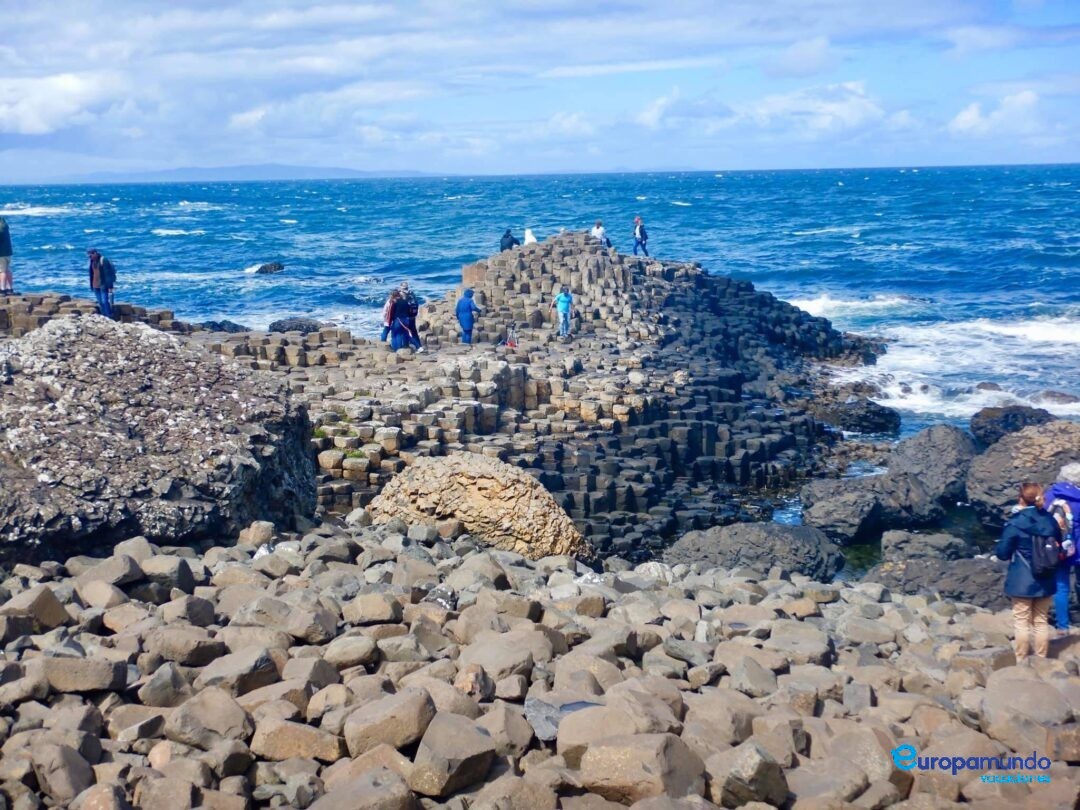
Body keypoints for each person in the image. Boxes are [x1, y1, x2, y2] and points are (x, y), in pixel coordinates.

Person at [995, 482, 1061, 661]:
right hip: (1046, 576)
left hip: (1022, 579)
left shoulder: (1016, 522)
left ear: (1020, 498)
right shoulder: (1050, 520)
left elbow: (1002, 553)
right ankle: (1041, 659)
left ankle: (1022, 660)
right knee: (1041, 620)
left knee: (1021, 622)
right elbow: (1059, 546)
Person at [1044, 465, 1080, 634]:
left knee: (1061, 587)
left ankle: (1062, 626)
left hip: (1057, 548)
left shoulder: (1049, 495)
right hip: (1078, 548)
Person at [87, 249, 116, 318]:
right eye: (89, 256)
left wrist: (110, 286)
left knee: (104, 301)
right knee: (100, 302)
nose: (90, 257)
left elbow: (108, 274)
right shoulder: (92, 261)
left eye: (91, 255)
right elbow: (91, 274)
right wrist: (91, 285)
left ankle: (109, 316)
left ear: (95, 253)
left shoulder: (103, 260)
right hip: (95, 285)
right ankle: (104, 316)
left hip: (103, 285)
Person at [399, 282, 424, 352]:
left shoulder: (402, 294)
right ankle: (419, 346)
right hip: (413, 316)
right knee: (414, 332)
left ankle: (417, 347)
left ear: (401, 287)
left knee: (406, 332)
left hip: (406, 317)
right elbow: (417, 303)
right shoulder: (412, 293)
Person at [0, 216, 13, 294]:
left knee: (2, 271)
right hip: (8, 252)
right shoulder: (4, 224)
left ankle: (2, 289)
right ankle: (10, 289)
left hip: (1, 253)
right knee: (7, 270)